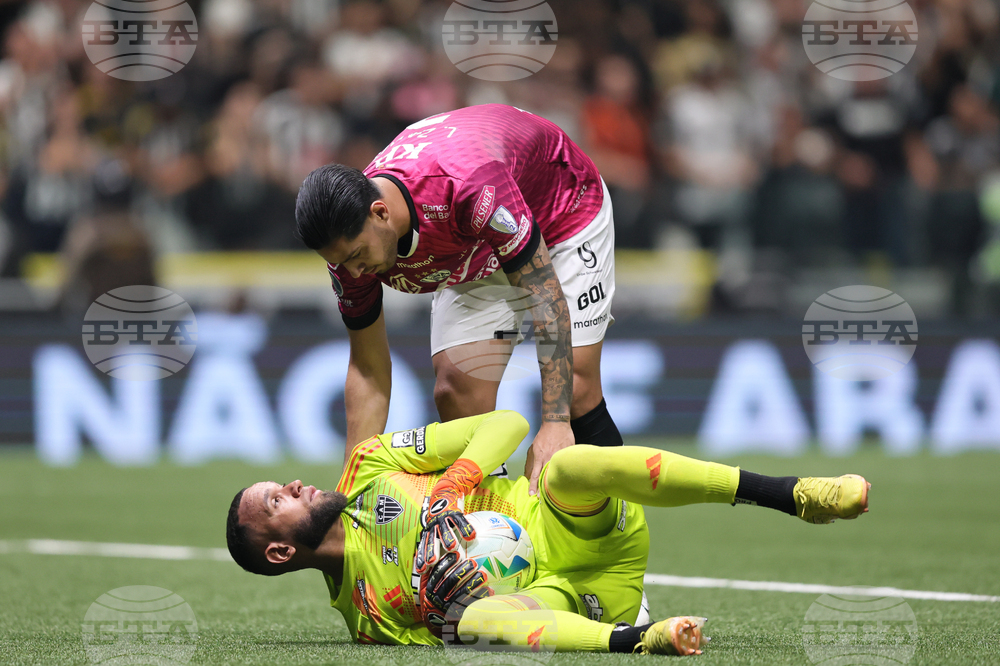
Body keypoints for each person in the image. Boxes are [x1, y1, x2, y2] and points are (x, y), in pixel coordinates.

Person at [226, 410, 870, 655]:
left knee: (567, 463)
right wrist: (450, 594)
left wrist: (456, 483)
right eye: (277, 501)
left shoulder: (370, 465)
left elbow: (504, 424)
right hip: (573, 596)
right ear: (281, 550)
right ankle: (637, 637)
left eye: (282, 483)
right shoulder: (367, 619)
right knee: (477, 630)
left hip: (575, 519)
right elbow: (462, 638)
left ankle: (793, 496)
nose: (295, 485)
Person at [293, 104, 623, 494]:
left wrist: (554, 423)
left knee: (577, 389)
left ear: (380, 213)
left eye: (355, 258)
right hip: (476, 244)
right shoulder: (350, 249)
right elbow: (368, 367)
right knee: (457, 394)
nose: (353, 274)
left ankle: (616, 534)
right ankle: (495, 529)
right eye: (339, 263)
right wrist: (349, 490)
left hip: (560, 213)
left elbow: (543, 295)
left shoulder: (466, 187)